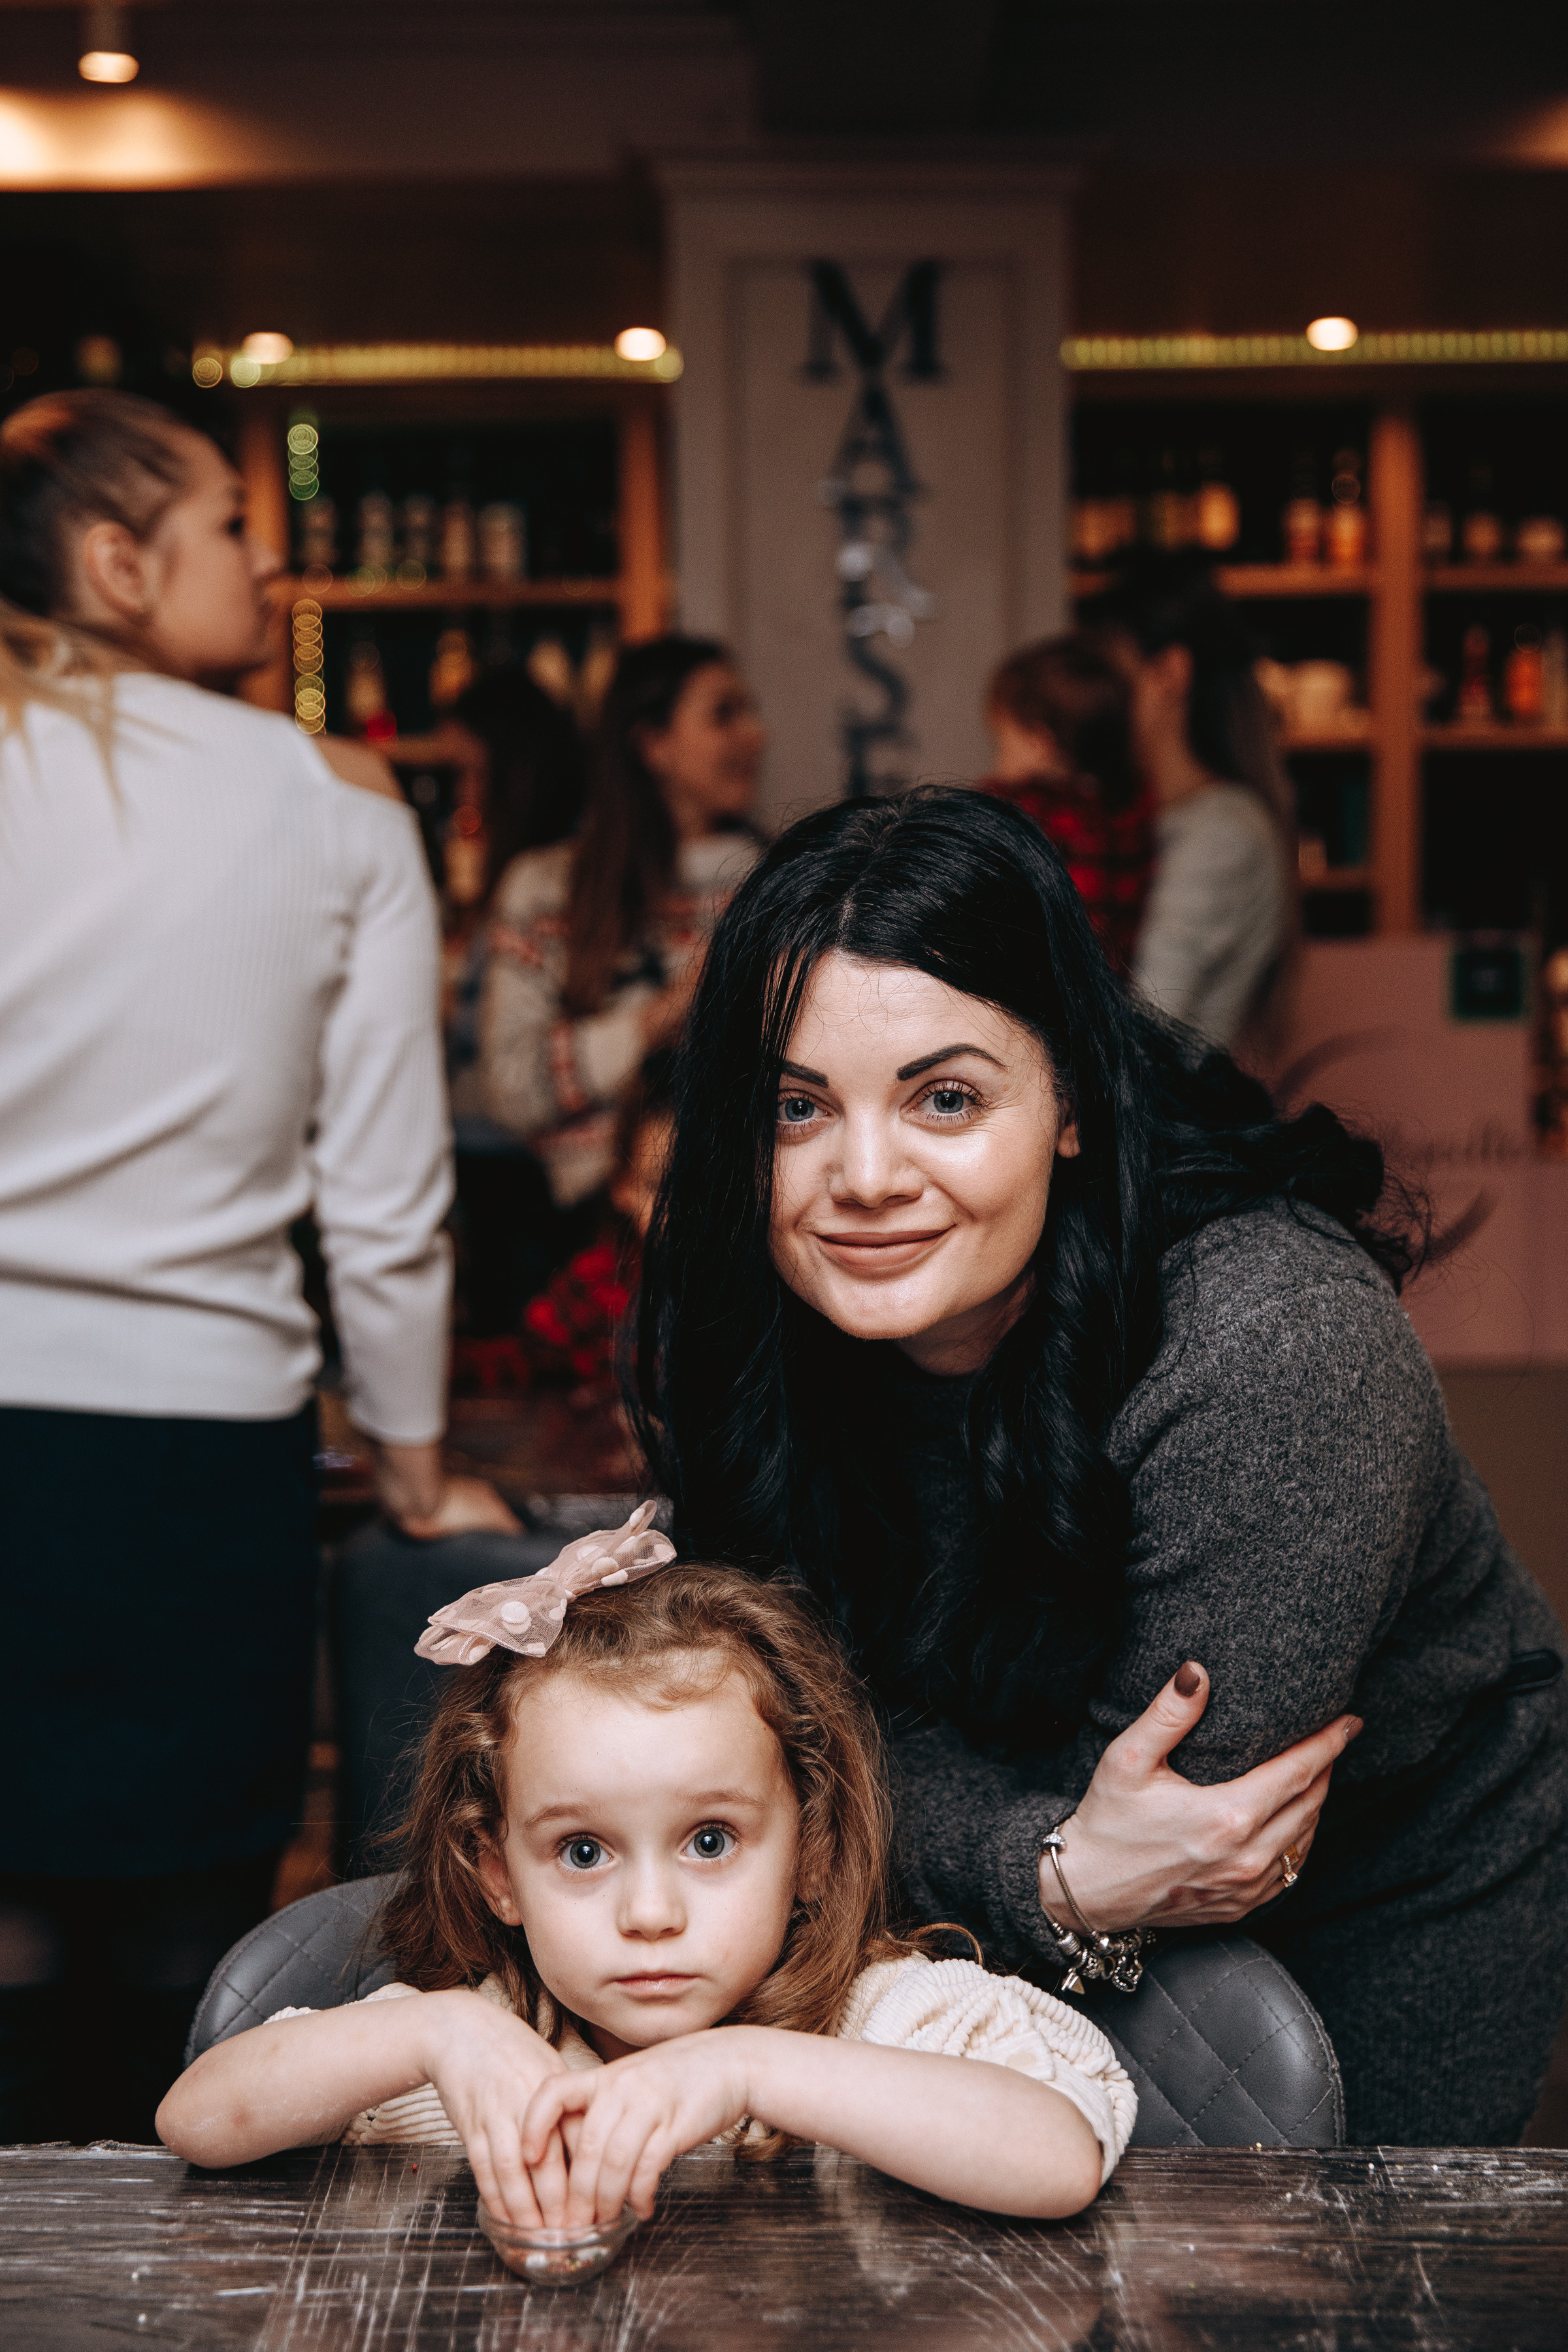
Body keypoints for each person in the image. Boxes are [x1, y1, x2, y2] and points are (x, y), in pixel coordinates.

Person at [632, 785, 1568, 2147]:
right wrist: (1047, 1866)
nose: (866, 1174)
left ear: (1070, 1100)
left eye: (944, 1097)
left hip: (1372, 1901)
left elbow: (1178, 1848)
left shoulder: (1272, 1341)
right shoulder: (775, 1313)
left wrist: (889, 1794)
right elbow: (761, 1736)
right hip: (981, 1914)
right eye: (797, 1107)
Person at [0, 389, 514, 2144]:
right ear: (114, 558)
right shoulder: (333, 805)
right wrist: (422, 1463)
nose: (269, 552)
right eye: (232, 522)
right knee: (190, 1940)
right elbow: (383, 1195)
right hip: (195, 1453)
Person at [157, 1524, 1135, 2220]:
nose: (653, 1913)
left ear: (815, 1852)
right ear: (499, 1875)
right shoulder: (483, 2049)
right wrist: (433, 2030)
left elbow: (1056, 2160)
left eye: (710, 1840)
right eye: (582, 1853)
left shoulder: (892, 2020)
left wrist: (748, 2067)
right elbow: (199, 2119)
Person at [479, 636, 764, 1211]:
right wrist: (662, 1016)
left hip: (744, 1221)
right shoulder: (546, 888)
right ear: (653, 744)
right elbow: (510, 1088)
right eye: (723, 715)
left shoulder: (775, 883)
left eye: (749, 712)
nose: (756, 734)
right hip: (594, 1226)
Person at [1083, 551, 1293, 1047]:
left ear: (1169, 673)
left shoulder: (1223, 832)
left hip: (1162, 1118)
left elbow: (1148, 1025)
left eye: (1107, 677)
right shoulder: (1149, 816)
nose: (1093, 703)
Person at [437, 670, 587, 1343]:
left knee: (529, 1342)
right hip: (486, 1152)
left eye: (472, 771)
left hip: (526, 1155)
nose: (463, 795)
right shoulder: (505, 871)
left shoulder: (547, 879)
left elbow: (502, 1041)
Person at [980, 633, 1153, 977]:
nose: (997, 761)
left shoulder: (1018, 814)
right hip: (1104, 999)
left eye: (1002, 740)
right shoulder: (1133, 811)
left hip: (1029, 996)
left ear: (1038, 742)